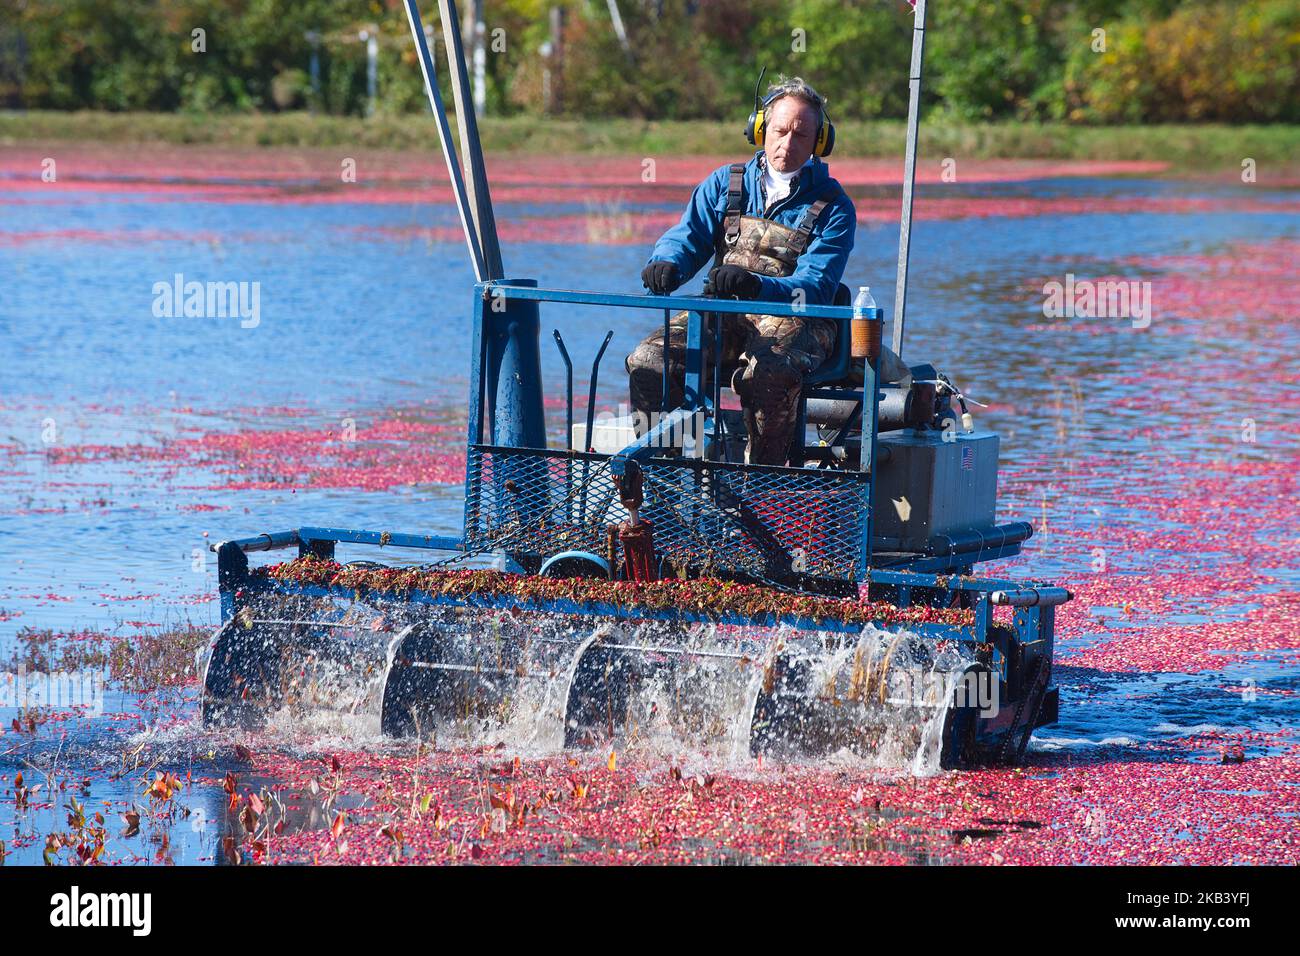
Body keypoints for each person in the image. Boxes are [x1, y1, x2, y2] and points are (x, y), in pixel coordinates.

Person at [625, 75, 856, 465]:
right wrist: (666, 264)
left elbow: (815, 285)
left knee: (769, 374)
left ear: (820, 142)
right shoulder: (726, 182)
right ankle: (668, 473)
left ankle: (762, 483)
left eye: (801, 135)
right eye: (780, 131)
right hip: (723, 314)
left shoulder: (834, 207)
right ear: (760, 130)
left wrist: (756, 286)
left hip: (799, 319)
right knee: (650, 360)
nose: (787, 143)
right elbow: (687, 236)